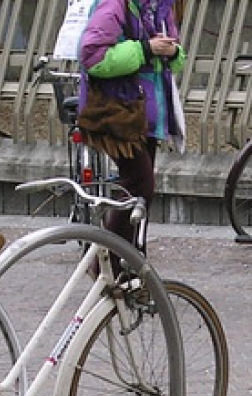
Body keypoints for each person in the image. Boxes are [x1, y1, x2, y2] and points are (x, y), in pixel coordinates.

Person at [78, 0, 186, 258]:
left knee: (138, 194)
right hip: (120, 111)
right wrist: (146, 49)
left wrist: (171, 52)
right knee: (140, 186)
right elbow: (93, 56)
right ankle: (108, 263)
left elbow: (174, 59)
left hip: (146, 113)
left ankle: (134, 270)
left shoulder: (160, 7)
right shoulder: (115, 4)